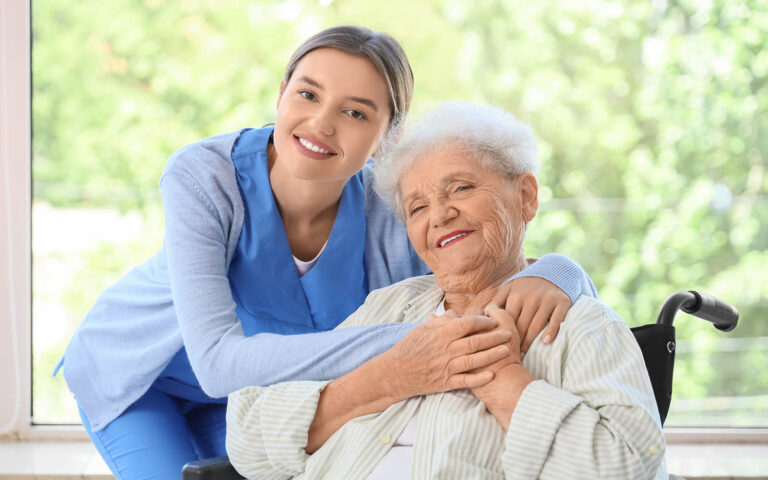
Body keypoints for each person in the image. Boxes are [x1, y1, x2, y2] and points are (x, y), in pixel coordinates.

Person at [57, 27, 597, 479]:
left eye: (357, 113)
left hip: (258, 399)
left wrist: (560, 272)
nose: (320, 123)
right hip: (141, 378)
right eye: (308, 94)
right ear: (281, 94)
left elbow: (478, 274)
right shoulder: (205, 175)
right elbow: (219, 365)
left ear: (389, 136)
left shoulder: (393, 211)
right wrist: (414, 344)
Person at [226, 101, 667, 480]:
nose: (439, 215)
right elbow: (246, 438)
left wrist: (504, 381)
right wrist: (387, 377)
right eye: (417, 207)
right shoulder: (390, 307)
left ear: (526, 196)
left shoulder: (580, 327)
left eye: (461, 187)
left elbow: (632, 468)